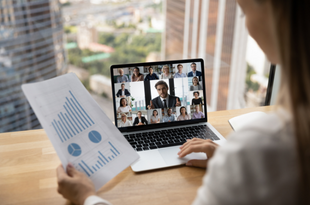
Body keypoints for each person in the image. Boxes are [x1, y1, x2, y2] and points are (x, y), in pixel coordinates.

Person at [57, 0, 310, 204]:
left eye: (243, 13)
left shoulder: (257, 148)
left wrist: (86, 197)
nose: (247, 27)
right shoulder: (155, 103)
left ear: (276, 16)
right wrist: (225, 157)